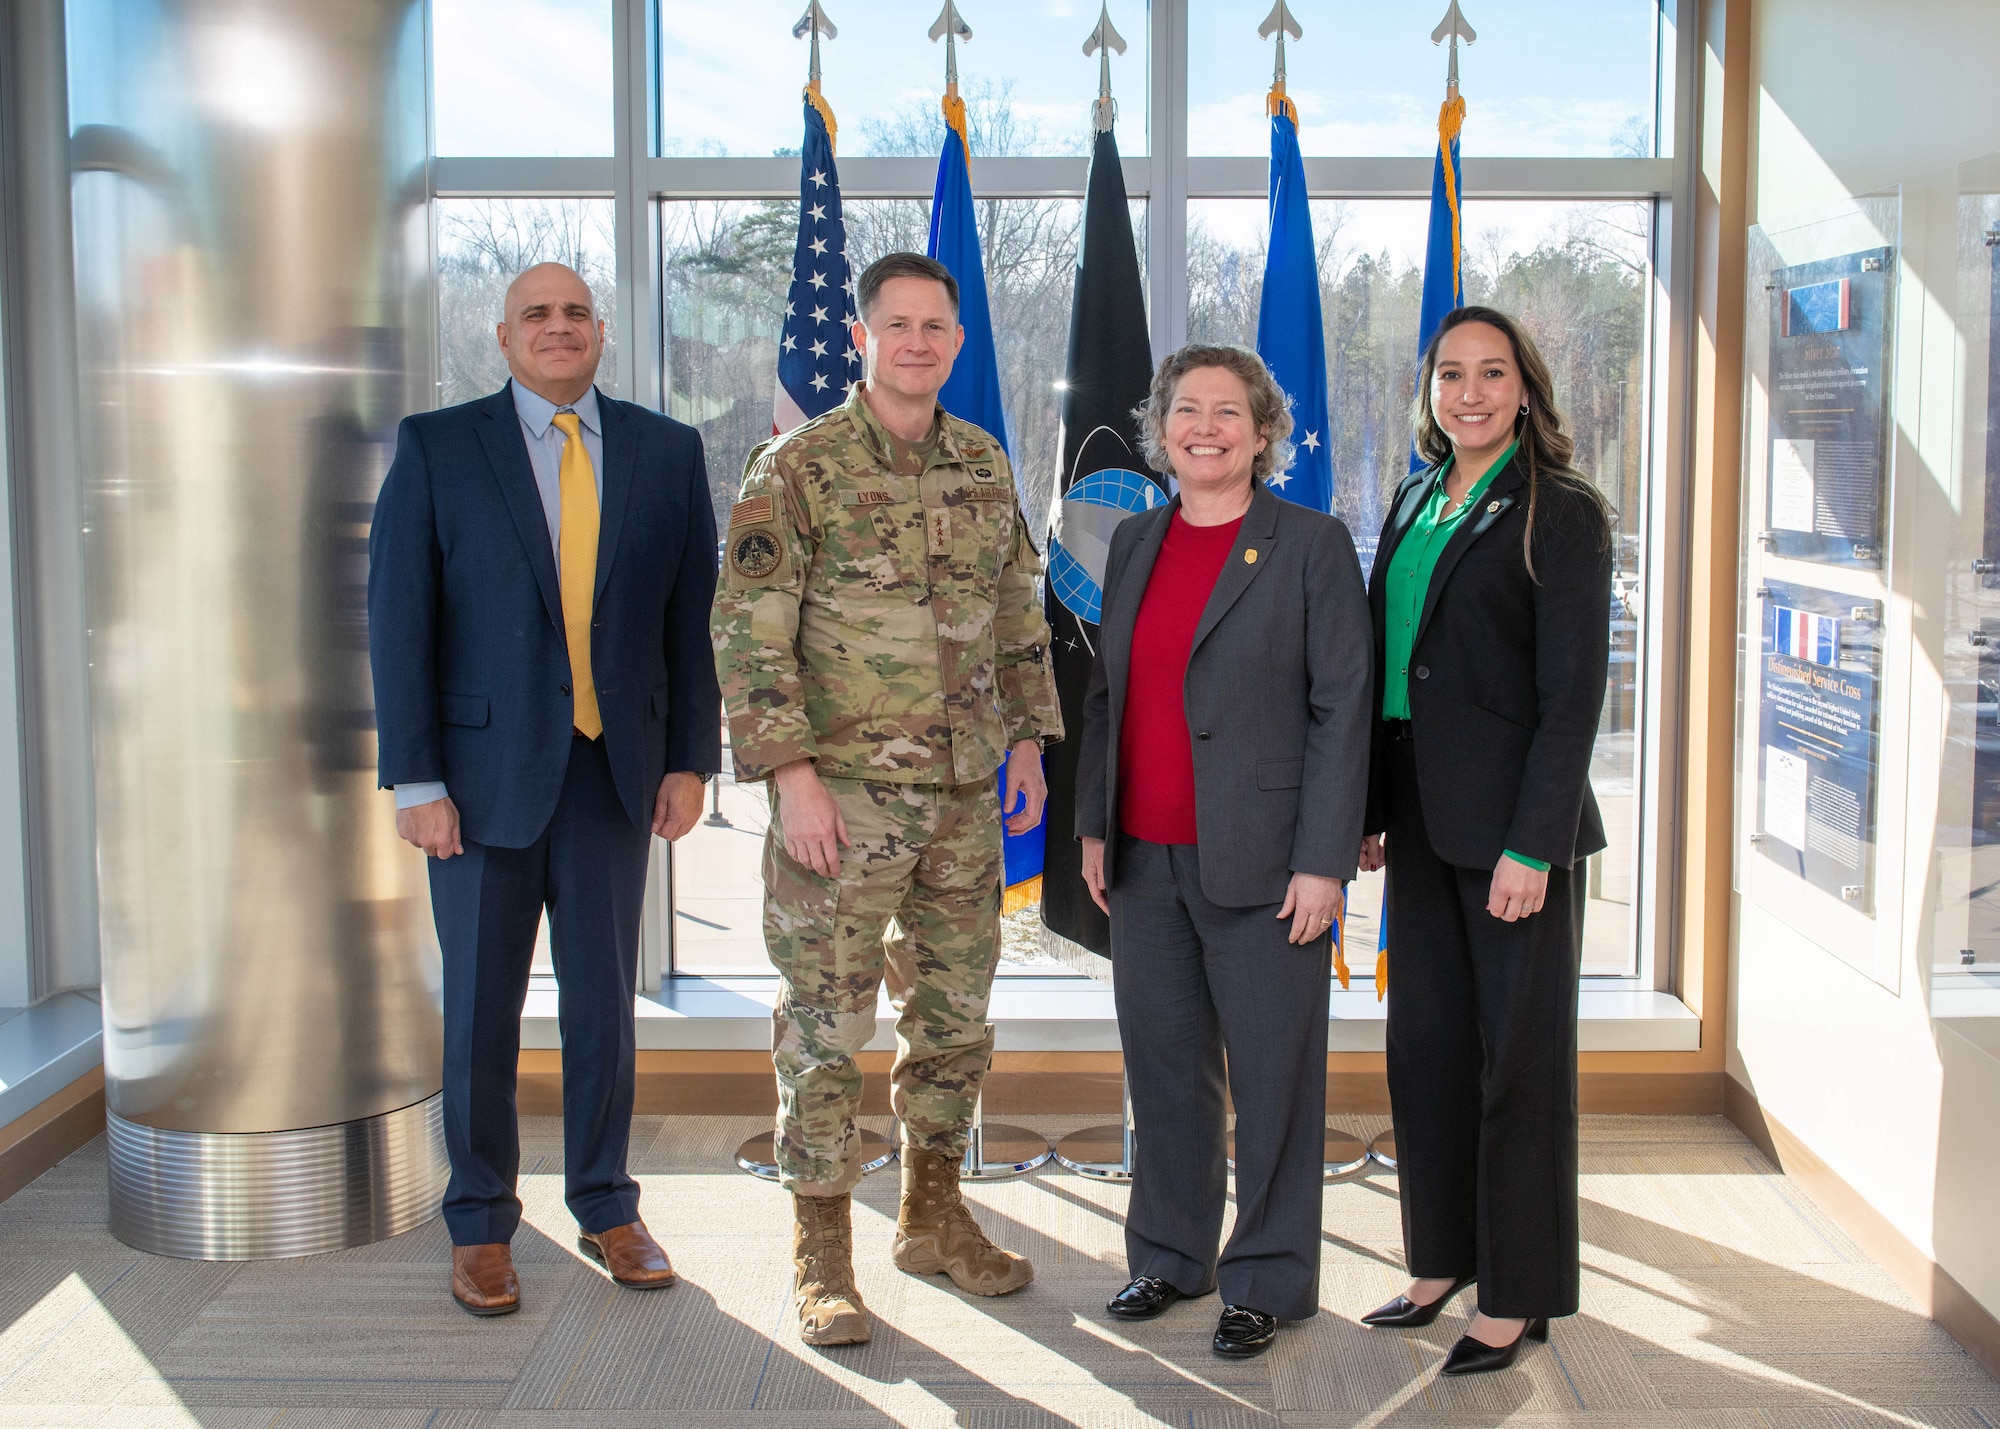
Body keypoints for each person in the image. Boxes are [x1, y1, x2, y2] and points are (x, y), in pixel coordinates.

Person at [711, 252, 1063, 1348]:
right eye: (897, 325)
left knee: (952, 1021)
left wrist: (1028, 743)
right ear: (863, 337)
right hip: (843, 803)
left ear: (957, 341)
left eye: (935, 327)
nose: (917, 342)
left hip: (965, 797)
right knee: (826, 1031)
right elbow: (748, 632)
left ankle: (931, 1214)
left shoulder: (980, 460)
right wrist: (792, 777)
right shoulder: (797, 466)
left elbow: (1016, 607)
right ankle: (822, 1254)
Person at [368, 263, 721, 1316]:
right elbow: (399, 624)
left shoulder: (666, 451)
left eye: (574, 312)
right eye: (537, 314)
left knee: (604, 1007)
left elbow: (687, 624)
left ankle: (607, 1203)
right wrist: (416, 778)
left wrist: (688, 758)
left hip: (613, 775)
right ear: (504, 336)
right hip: (474, 788)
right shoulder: (438, 447)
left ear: (600, 332)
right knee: (480, 1008)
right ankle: (480, 1221)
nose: (557, 328)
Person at [1073, 344, 1373, 1360]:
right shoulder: (1134, 541)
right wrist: (1091, 826)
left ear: (1262, 432)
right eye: (1186, 410)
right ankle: (1168, 1254)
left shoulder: (1308, 543)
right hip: (1143, 858)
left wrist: (1323, 859)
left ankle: (1268, 1278)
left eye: (1227, 412)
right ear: (1159, 428)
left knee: (1273, 1078)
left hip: (1266, 862)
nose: (1204, 428)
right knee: (1163, 1072)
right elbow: (1105, 695)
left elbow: (1342, 709)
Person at [1356, 305, 1613, 1375]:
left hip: (1513, 834)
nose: (1467, 392)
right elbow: (1388, 668)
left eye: (1489, 373)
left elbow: (1570, 701)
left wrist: (1531, 845)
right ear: (1428, 390)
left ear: (1524, 389)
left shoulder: (1560, 513)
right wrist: (1368, 805)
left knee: (1517, 1065)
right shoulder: (1417, 494)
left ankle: (1516, 1292)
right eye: (1449, 373)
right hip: (1419, 823)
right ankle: (1439, 1257)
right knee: (1423, 1051)